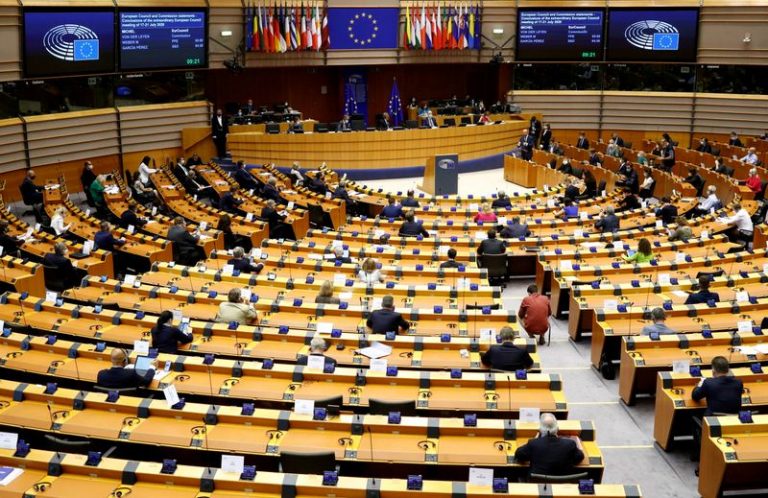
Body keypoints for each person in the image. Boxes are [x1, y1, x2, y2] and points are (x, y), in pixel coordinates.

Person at [514, 413, 585, 477]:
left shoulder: (534, 444)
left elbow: (519, 455)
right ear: (557, 429)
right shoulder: (570, 444)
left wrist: (535, 439)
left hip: (538, 486)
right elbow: (579, 457)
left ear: (540, 430)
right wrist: (579, 447)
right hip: (562, 486)